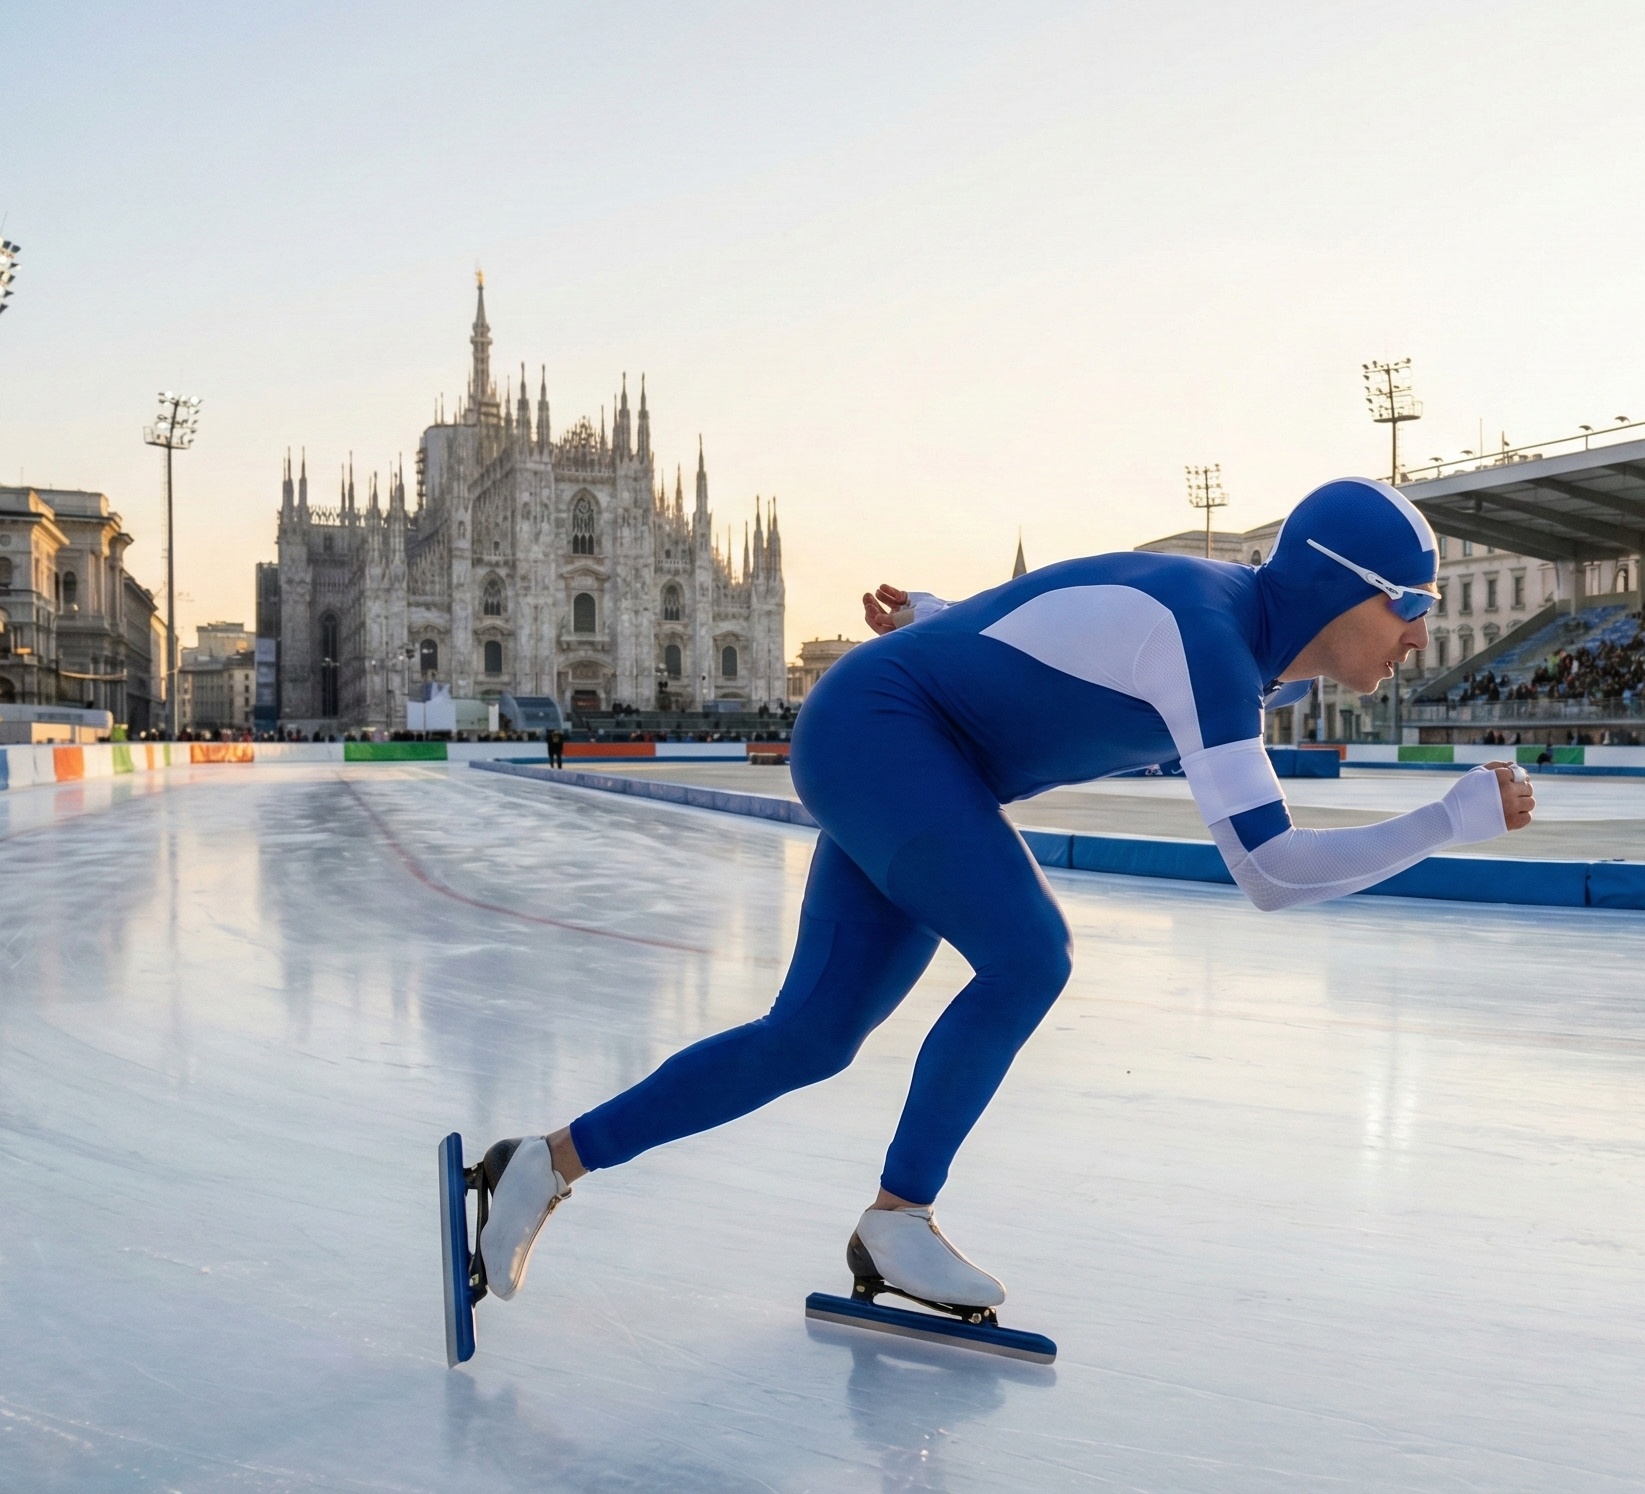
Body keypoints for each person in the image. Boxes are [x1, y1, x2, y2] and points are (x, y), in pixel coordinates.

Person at [469, 478, 1536, 1318]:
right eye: (1409, 607)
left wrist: (936, 614)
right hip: (878, 733)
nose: (1415, 636)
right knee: (1031, 953)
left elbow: (1061, 603)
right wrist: (1444, 823)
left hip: (919, 753)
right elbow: (1267, 872)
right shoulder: (1208, 639)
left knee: (809, 1039)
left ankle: (539, 1164)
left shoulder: (1259, 649)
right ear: (1338, 590)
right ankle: (900, 1220)